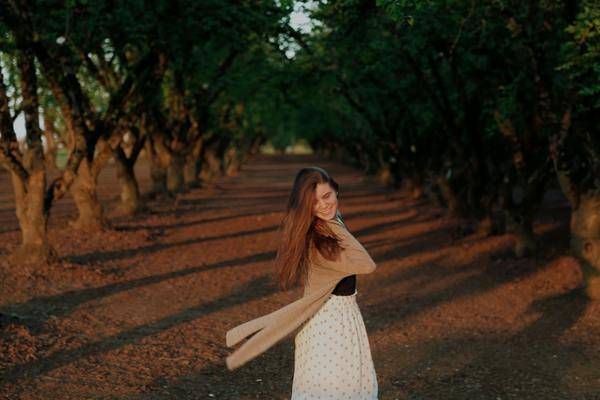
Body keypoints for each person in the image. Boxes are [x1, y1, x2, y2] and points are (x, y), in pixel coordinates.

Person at [225, 166, 378, 399]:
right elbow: (367, 265)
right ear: (307, 207)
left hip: (342, 317)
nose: (324, 205)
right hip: (329, 326)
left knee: (350, 389)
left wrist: (335, 219)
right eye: (315, 202)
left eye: (327, 196)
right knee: (336, 391)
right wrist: (336, 224)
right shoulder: (319, 241)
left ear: (336, 191)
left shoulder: (326, 225)